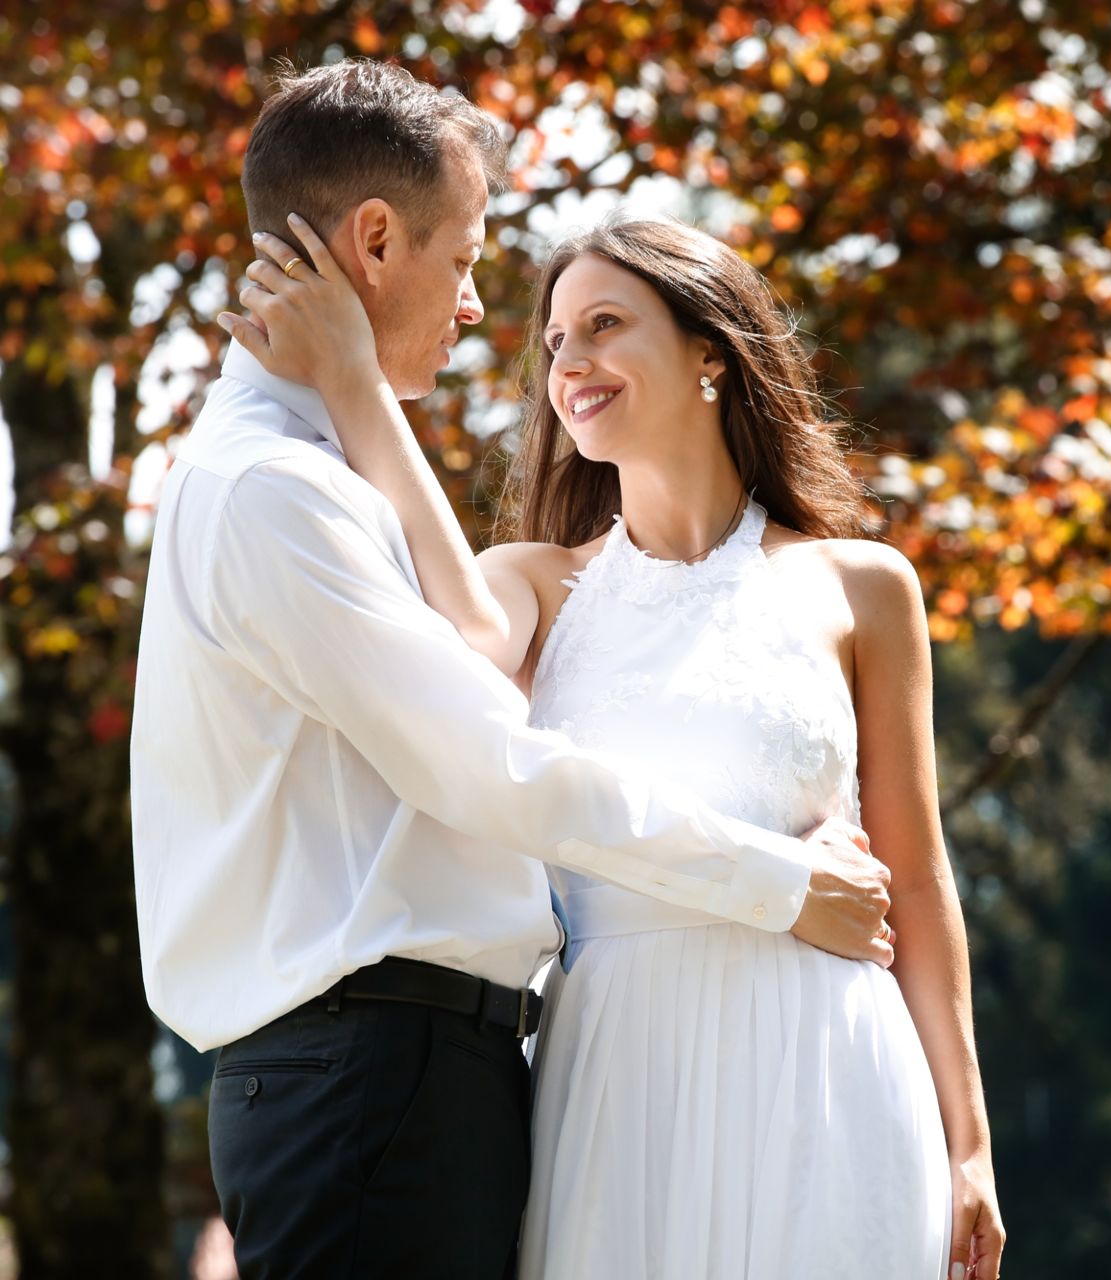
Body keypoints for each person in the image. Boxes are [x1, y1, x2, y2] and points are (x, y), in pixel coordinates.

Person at [131, 60, 895, 1280]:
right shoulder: (276, 492)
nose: (481, 304)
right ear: (376, 239)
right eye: (469, 255)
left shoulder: (315, 474)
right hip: (369, 1086)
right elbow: (486, 764)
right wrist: (776, 880)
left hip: (417, 1078)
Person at [227, 205, 1008, 1278]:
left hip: (832, 1071)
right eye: (554, 342)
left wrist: (970, 1144)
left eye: (603, 325)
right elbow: (461, 639)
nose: (569, 361)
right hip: (613, 1077)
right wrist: (357, 380)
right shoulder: (533, 586)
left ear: (710, 356)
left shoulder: (864, 587)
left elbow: (916, 884)